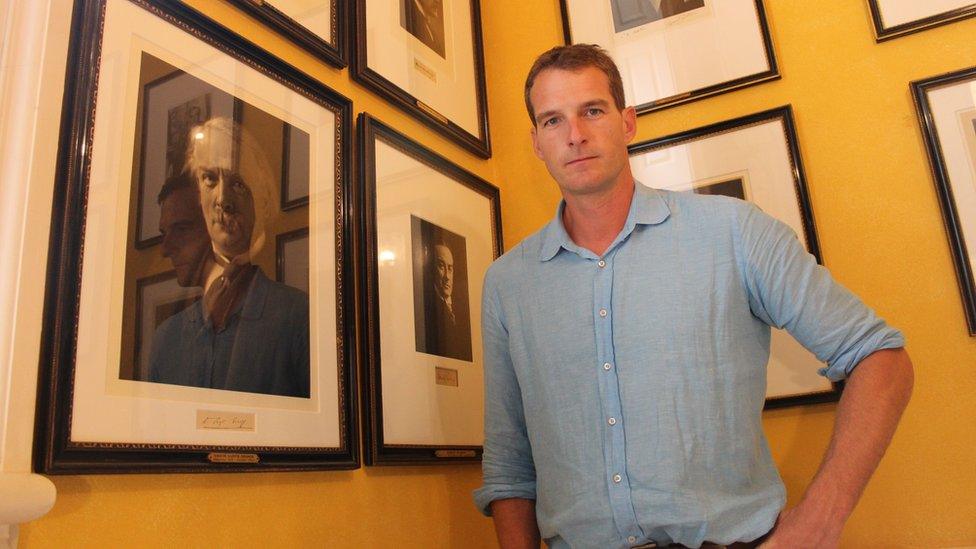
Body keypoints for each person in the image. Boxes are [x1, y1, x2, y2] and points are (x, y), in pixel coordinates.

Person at [473, 45, 914, 549]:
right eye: (553, 120)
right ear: (536, 141)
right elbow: (509, 466)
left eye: (592, 110)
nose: (575, 135)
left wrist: (819, 521)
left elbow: (881, 357)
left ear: (627, 122)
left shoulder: (734, 232)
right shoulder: (508, 284)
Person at [148, 117, 310, 398]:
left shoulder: (298, 316)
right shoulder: (165, 339)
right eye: (209, 178)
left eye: (237, 184)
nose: (222, 199)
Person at [418, 238, 473, 361]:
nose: (447, 277)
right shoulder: (425, 309)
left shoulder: (464, 312)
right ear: (430, 268)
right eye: (441, 266)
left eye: (450, 268)